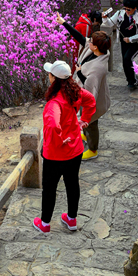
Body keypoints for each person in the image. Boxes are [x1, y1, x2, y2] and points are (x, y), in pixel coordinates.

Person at [34, 60, 96, 234]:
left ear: (54, 78)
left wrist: (59, 140)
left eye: (50, 73)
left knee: (50, 188)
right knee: (72, 184)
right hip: (75, 149)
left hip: (56, 154)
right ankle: (71, 219)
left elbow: (53, 125)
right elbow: (90, 100)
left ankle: (45, 223)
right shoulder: (75, 92)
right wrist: (84, 120)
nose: (48, 76)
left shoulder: (54, 103)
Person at [75, 30, 111, 161]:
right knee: (88, 123)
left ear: (95, 46)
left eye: (91, 41)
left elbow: (90, 89)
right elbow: (80, 38)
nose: (88, 41)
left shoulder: (98, 68)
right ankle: (86, 135)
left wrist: (79, 73)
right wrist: (63, 23)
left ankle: (92, 149)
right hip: (88, 96)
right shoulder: (98, 52)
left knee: (91, 123)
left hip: (93, 101)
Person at [101, 0, 138, 90]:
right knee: (124, 61)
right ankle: (130, 81)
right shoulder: (119, 13)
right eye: (125, 8)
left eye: (129, 9)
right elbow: (109, 23)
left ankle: (134, 80)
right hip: (123, 41)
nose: (126, 11)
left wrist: (130, 39)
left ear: (135, 8)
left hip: (136, 42)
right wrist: (105, 18)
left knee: (128, 58)